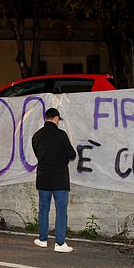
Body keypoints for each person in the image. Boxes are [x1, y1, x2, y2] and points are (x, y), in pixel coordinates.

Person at [31, 107, 77, 253]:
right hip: (60, 179)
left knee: (43, 209)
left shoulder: (36, 136)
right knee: (61, 211)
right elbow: (72, 154)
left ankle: (43, 240)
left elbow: (38, 154)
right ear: (56, 119)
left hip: (43, 178)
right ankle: (60, 243)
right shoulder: (61, 135)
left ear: (46, 118)